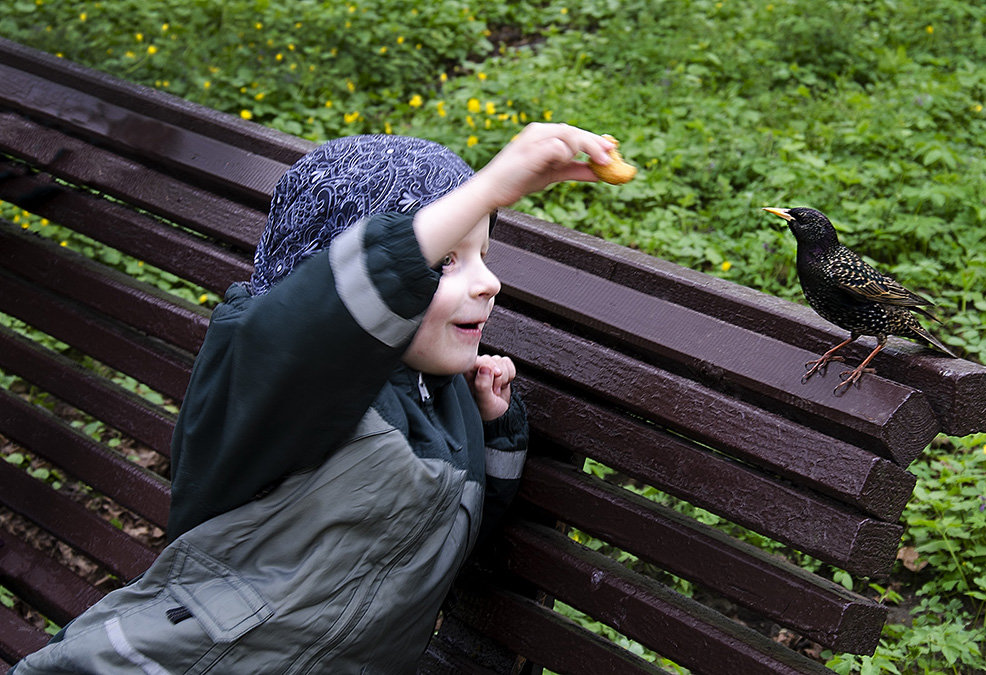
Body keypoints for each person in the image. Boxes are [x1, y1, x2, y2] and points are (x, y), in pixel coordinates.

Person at [11, 123, 619, 674]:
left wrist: (497, 431)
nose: (488, 282)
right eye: (445, 261)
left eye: (483, 255)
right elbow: (322, 325)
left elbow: (444, 536)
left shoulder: (444, 399)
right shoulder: (276, 378)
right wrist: (486, 189)